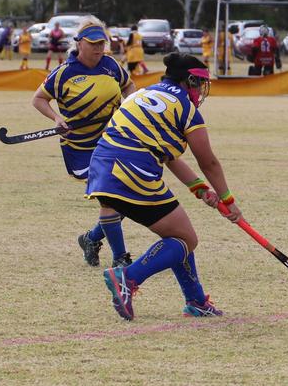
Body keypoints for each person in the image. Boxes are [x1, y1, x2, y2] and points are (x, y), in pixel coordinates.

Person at [86, 53, 243, 320]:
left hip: (102, 165)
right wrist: (228, 200)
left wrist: (200, 189)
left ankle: (196, 301)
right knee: (186, 239)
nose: (201, 91)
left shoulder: (143, 93)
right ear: (189, 80)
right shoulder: (186, 108)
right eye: (199, 84)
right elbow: (209, 161)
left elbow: (170, 157)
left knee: (179, 236)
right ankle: (128, 277)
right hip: (132, 168)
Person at [32, 16, 136, 268]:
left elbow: (129, 86)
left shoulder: (111, 65)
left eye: (102, 43)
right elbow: (39, 99)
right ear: (79, 43)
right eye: (93, 43)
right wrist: (57, 117)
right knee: (110, 199)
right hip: (82, 149)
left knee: (128, 199)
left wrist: (128, 109)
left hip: (113, 142)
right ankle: (120, 258)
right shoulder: (64, 73)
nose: (99, 48)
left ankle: (90, 238)